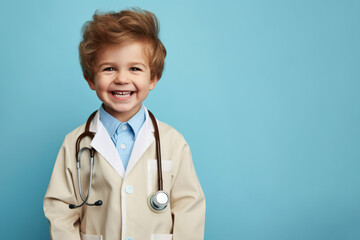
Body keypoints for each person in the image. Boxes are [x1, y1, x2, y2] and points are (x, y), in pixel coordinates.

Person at [43, 7, 206, 240]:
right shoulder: (75, 143)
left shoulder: (173, 142)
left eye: (134, 68)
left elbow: (189, 210)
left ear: (153, 78)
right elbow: (60, 210)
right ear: (91, 78)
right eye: (109, 68)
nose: (121, 78)